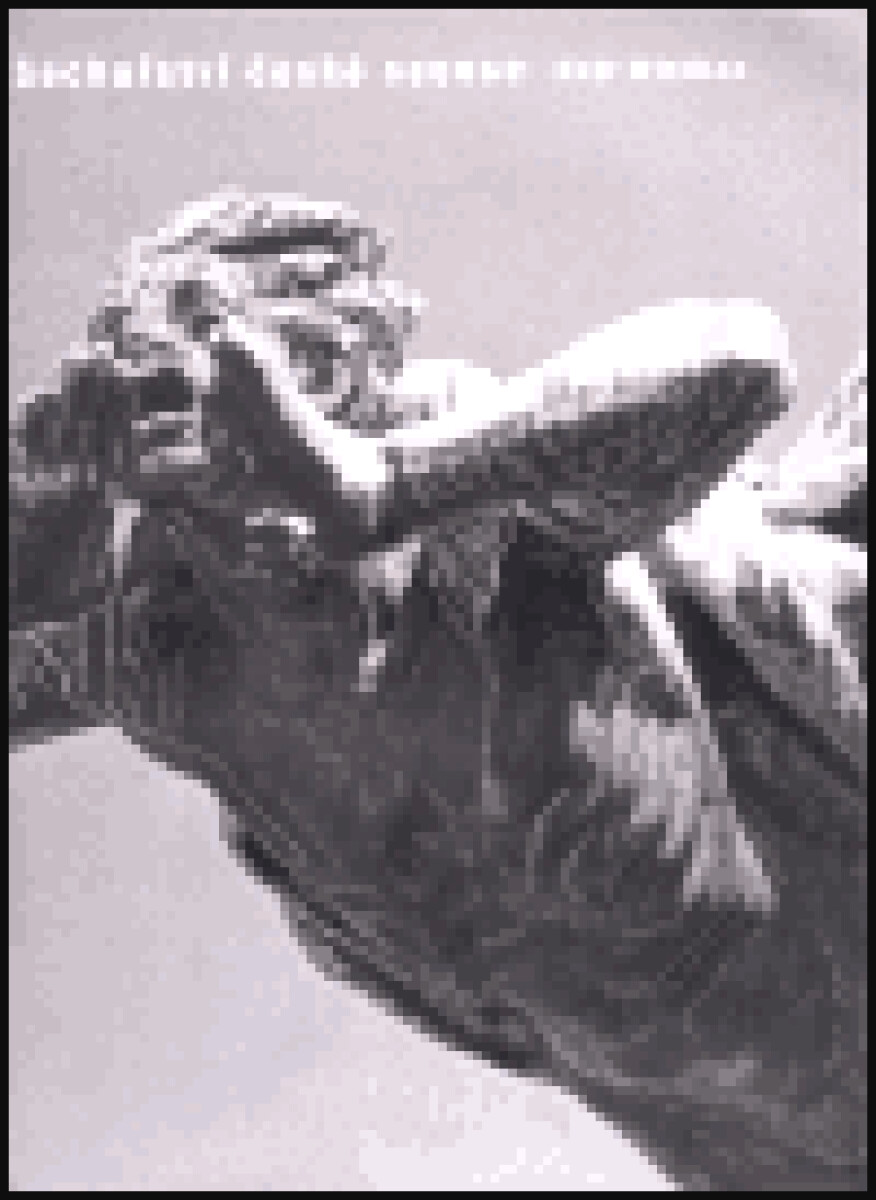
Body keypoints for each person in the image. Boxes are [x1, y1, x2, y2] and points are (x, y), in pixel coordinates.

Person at [9, 194, 867, 1190]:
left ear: (337, 368)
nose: (153, 380)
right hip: (747, 1132)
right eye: (133, 364)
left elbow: (741, 357)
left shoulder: (468, 500)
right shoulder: (154, 641)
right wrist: (24, 583)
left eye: (210, 341)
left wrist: (385, 486)